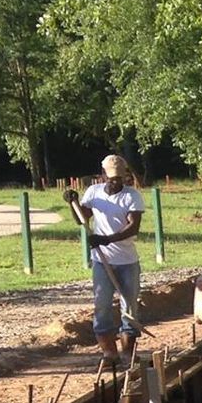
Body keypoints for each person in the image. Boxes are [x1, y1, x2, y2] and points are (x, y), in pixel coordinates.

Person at [65, 155, 146, 364]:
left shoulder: (132, 196)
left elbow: (133, 227)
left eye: (119, 179)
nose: (115, 182)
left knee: (129, 306)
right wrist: (72, 202)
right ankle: (109, 353)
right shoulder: (93, 193)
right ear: (102, 175)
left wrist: (106, 239)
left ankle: (128, 353)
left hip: (127, 261)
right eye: (111, 178)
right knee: (102, 305)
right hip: (102, 262)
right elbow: (81, 218)